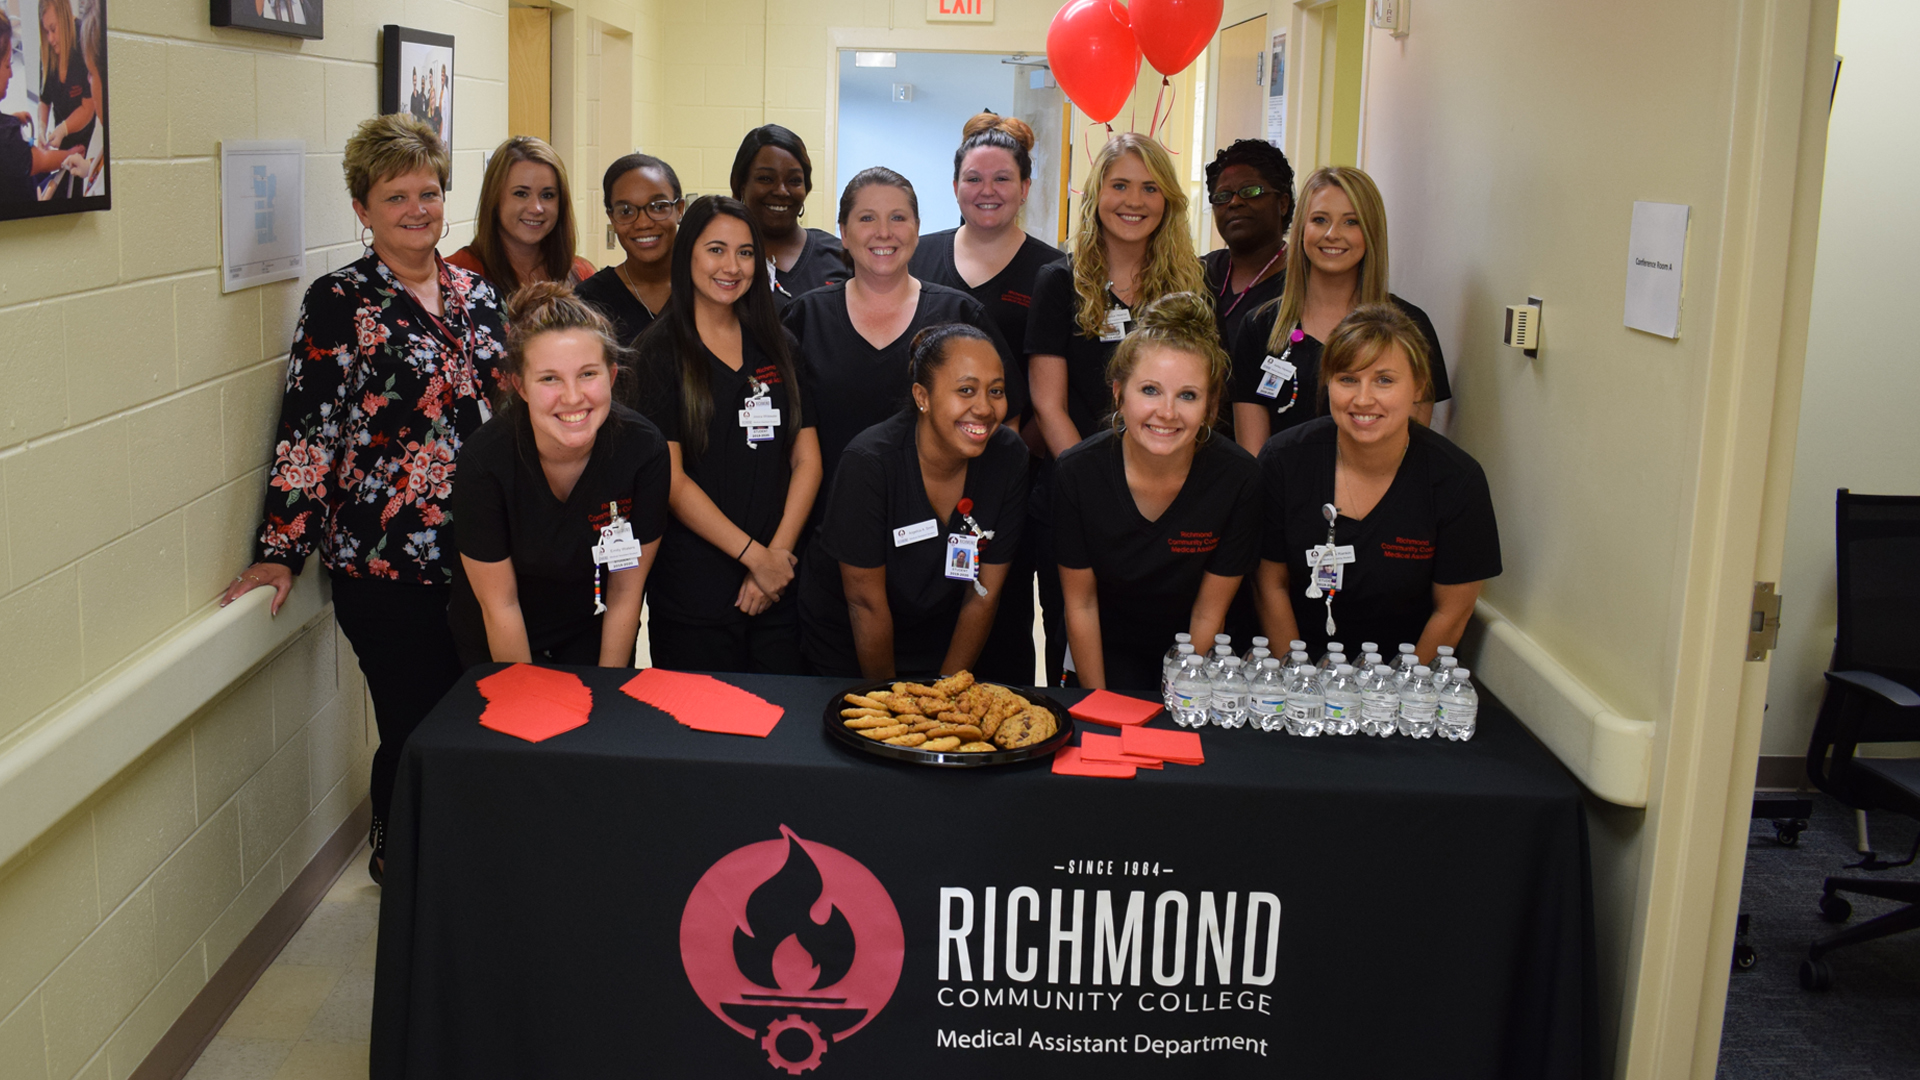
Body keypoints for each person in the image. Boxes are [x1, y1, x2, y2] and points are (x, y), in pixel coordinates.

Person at [220, 114, 508, 884]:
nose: (418, 208)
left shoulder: (479, 296)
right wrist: (279, 552)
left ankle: (470, 866)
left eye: (430, 191)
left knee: (484, 716)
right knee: (416, 725)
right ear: (363, 209)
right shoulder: (340, 301)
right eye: (396, 196)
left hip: (485, 558)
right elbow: (307, 430)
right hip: (385, 566)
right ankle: (400, 856)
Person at [1025, 132, 1208, 684]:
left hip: (1170, 495)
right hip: (1077, 491)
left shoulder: (1193, 285)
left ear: (1169, 199)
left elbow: (1203, 394)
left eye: (1150, 187)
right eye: (1120, 185)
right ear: (1096, 195)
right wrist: (1095, 480)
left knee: (1158, 642)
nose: (1134, 200)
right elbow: (1048, 403)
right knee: (1075, 639)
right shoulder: (1060, 280)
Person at [631, 196, 822, 673]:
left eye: (745, 252)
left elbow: (808, 460)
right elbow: (671, 481)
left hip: (780, 582)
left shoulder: (778, 344)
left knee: (780, 733)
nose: (731, 267)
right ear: (687, 255)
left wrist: (776, 558)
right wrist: (754, 557)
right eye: (716, 250)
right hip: (697, 591)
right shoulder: (657, 352)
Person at [909, 111, 1066, 686]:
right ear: (954, 186)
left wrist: (1001, 457)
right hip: (925, 472)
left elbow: (1046, 381)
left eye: (1003, 179)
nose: (988, 191)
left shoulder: (1054, 269)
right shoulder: (919, 257)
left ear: (1026, 188)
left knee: (998, 607)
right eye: (974, 178)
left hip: (1011, 471)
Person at [1254, 303, 1499, 661]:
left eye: (1384, 380)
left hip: (1404, 687)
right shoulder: (1283, 461)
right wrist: (1298, 682)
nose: (1363, 399)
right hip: (1294, 675)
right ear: (1328, 383)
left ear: (1418, 386)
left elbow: (1451, 614)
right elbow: (1268, 586)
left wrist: (1395, 699)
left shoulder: (1456, 481)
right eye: (1348, 379)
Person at [447, 283, 668, 669]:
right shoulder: (485, 462)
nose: (572, 397)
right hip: (501, 636)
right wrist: (529, 708)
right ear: (521, 386)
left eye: (587, 374)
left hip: (591, 632)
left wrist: (608, 690)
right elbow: (500, 604)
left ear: (612, 376)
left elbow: (626, 594)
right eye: (549, 379)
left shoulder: (642, 451)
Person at [1052, 292, 1261, 693]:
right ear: (1119, 392)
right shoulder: (1078, 473)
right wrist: (1100, 704)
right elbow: (1081, 605)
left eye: (1187, 395)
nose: (1166, 412)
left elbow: (1208, 614)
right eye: (1149, 390)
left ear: (1211, 408)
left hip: (1197, 657)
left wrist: (1180, 695)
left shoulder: (1239, 479)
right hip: (1102, 648)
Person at [798, 324, 1028, 679]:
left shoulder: (1008, 459)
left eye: (995, 391)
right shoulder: (869, 463)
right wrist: (894, 706)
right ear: (922, 396)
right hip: (851, 645)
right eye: (966, 390)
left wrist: (945, 693)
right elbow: (865, 604)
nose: (984, 408)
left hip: (943, 640)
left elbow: (983, 594)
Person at [782, 168, 1018, 509]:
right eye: (867, 218)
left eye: (898, 218)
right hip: (825, 525)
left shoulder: (960, 314)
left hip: (938, 529)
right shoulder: (805, 318)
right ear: (843, 233)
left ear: (917, 229)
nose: (883, 232)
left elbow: (1004, 415)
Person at [1229, 165, 1452, 455]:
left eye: (1351, 222)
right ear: (1301, 231)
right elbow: (1255, 460)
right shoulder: (1259, 326)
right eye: (1320, 220)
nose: (1333, 234)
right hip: (1282, 498)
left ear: (1371, 232)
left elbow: (1407, 452)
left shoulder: (1410, 327)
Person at [447, 137, 596, 298]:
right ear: (495, 198)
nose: (536, 208)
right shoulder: (455, 274)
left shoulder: (581, 274)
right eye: (521, 194)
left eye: (547, 195)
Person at [729, 125, 846, 305]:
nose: (781, 191)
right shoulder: (722, 262)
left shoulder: (840, 258)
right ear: (741, 185)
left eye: (794, 181)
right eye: (766, 178)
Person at [576, 153, 682, 348]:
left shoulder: (710, 286)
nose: (643, 223)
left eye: (658, 207)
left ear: (680, 210)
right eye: (626, 211)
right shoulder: (589, 301)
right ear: (611, 217)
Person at [1201, 139, 1294, 356]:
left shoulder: (1301, 283)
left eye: (1250, 191)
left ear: (1283, 203)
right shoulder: (1200, 272)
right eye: (1222, 196)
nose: (1234, 202)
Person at [0, 14, 84, 203]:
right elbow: (43, 159)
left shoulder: (79, 54)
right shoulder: (7, 141)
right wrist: (71, 154)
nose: (12, 73)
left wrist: (11, 119)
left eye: (53, 29)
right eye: (7, 65)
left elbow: (87, 108)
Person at [35, 0, 98, 198]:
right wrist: (41, 128)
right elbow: (44, 100)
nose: (51, 38)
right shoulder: (47, 52)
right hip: (63, 146)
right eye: (46, 31)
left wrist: (64, 129)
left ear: (64, 18)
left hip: (84, 143)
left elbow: (88, 108)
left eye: (53, 29)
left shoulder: (82, 40)